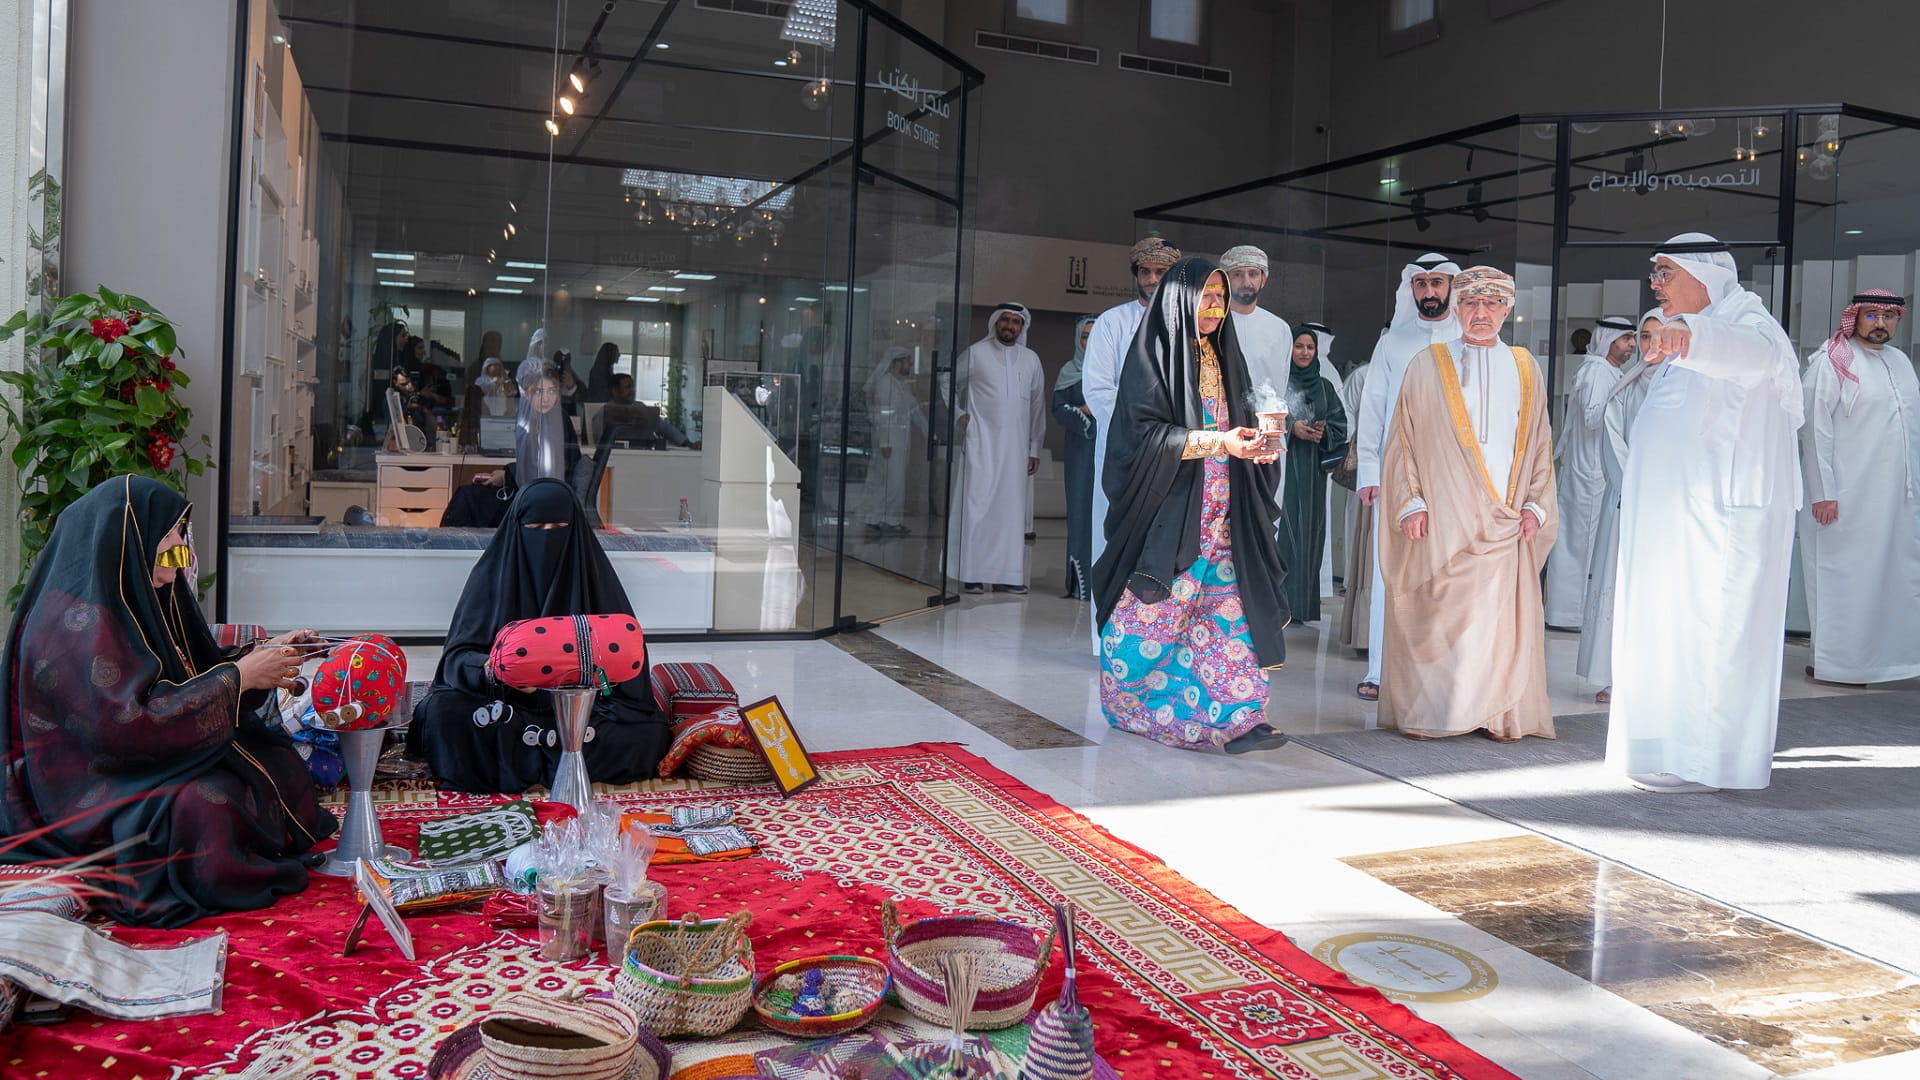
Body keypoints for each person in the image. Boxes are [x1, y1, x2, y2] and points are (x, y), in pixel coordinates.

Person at [0, 476, 336, 927]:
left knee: (276, 761)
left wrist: (263, 657)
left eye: (181, 535)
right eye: (170, 537)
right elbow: (122, 727)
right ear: (128, 541)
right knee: (205, 806)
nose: (181, 548)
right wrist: (239, 678)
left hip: (144, 758)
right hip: (88, 782)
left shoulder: (139, 596)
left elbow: (192, 669)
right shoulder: (74, 622)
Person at [1607, 233, 1803, 793]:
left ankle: (1706, 762)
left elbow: (1749, 353)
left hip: (1723, 525)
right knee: (1671, 637)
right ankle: (1666, 749)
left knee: (1712, 638)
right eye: (1654, 274)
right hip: (1680, 527)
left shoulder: (1747, 323)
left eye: (1664, 273)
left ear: (1705, 275)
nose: (1655, 285)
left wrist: (1690, 336)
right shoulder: (1693, 333)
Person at [1094, 259, 1290, 754]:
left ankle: (1243, 717)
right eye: (1207, 297)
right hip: (1174, 514)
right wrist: (1220, 442)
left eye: (1221, 298)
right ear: (1180, 301)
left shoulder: (1226, 356)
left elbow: (1243, 423)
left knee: (1227, 614)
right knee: (1154, 618)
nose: (1217, 308)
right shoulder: (1152, 358)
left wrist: (1258, 448)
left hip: (1228, 514)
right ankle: (1131, 702)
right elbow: (1140, 439)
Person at [1378, 267, 1557, 741]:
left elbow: (1541, 441)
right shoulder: (1426, 363)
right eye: (1471, 303)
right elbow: (1402, 442)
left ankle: (1496, 714)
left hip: (1505, 516)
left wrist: (1536, 504)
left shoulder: (1524, 367)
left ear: (1507, 309)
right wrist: (1411, 502)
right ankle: (1435, 712)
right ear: (1456, 308)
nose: (1481, 313)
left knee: (1496, 622)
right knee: (1441, 615)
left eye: (1492, 304)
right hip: (1442, 515)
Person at [408, 479, 673, 792]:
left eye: (558, 528)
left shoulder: (594, 580)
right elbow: (456, 660)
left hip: (584, 708)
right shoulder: (492, 579)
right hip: (505, 705)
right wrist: (495, 671)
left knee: (647, 733)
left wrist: (593, 680)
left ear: (575, 532)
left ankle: (534, 753)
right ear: (517, 529)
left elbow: (628, 667)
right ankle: (559, 752)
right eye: (536, 528)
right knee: (442, 715)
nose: (547, 538)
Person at [1799, 289, 1920, 685]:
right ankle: (1835, 663)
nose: (1880, 323)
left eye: (1888, 316)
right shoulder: (1832, 362)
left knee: (1891, 579)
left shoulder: (1900, 362)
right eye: (1871, 315)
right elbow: (1814, 431)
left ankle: (1883, 662)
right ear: (1855, 317)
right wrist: (1823, 493)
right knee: (1844, 580)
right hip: (1845, 497)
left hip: (1894, 499)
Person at [1354, 253, 1461, 700]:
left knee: (1448, 571)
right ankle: (1381, 671)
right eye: (1421, 284)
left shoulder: (1470, 338)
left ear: (1451, 286)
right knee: (1390, 571)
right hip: (1396, 471)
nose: (1429, 292)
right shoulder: (1392, 343)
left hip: (1454, 474)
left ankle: (1443, 674)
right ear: (1411, 289)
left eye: (1437, 283)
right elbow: (1373, 408)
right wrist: (1368, 469)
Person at [1083, 236, 1181, 580]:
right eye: (1145, 271)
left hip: (1173, 448)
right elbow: (1097, 389)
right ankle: (1110, 614)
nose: (1152, 279)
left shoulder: (1187, 325)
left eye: (1161, 272)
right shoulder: (1111, 323)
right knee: (1116, 534)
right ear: (1135, 274)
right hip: (1122, 448)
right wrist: (1140, 429)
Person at [1575, 309, 1660, 703]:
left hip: (1674, 507)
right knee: (1621, 585)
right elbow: (1611, 436)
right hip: (1629, 501)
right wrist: (1637, 489)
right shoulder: (1627, 384)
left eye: (1660, 335)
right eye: (1644, 337)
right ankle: (1616, 676)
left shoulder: (1688, 382)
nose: (1650, 344)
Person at [1544, 316, 1638, 629]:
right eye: (1626, 339)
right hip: (1589, 471)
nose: (1632, 345)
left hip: (1594, 471)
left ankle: (1578, 613)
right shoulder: (1598, 371)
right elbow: (1593, 417)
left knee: (1586, 543)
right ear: (1609, 340)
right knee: (1579, 544)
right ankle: (1570, 614)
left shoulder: (1607, 371)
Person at [950, 303, 1046, 595]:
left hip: (1016, 451)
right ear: (995, 323)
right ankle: (972, 574)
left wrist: (1034, 448)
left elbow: (1038, 407)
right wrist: (959, 415)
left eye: (1016, 321)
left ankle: (1008, 576)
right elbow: (946, 381)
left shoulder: (1031, 360)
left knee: (1010, 513)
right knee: (977, 507)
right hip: (981, 444)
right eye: (1005, 320)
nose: (1009, 326)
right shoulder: (976, 353)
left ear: (1022, 327)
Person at [1277, 327, 1349, 623]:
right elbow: (1260, 415)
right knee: (1284, 532)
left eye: (1310, 347)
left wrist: (1323, 432)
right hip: (1283, 470)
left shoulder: (1325, 387)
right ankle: (1277, 605)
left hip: (1313, 475)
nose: (1305, 352)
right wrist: (1291, 427)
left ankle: (1301, 606)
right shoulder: (1280, 381)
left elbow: (1340, 425)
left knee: (1309, 535)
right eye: (1299, 346)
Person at [1053, 315, 1100, 599]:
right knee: (1081, 510)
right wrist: (1082, 412)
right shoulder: (1069, 371)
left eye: (1095, 336)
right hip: (1081, 451)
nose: (1090, 342)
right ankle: (1082, 585)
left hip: (1109, 449)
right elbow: (1058, 408)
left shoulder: (1112, 368)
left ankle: (1106, 583)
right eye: (1085, 336)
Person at [863, 347, 927, 537]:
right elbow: (881, 416)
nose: (910, 365)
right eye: (907, 361)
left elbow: (915, 412)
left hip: (900, 441)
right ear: (897, 363)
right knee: (891, 482)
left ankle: (880, 519)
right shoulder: (885, 385)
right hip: (889, 442)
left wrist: (930, 433)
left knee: (894, 482)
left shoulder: (902, 386)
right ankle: (885, 519)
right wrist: (885, 442)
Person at [1338, 345, 1375, 653]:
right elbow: (1347, 412)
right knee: (1358, 524)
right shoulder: (1363, 375)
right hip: (1367, 462)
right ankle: (1352, 580)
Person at [597, 374, 694, 448]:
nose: (632, 391)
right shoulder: (604, 411)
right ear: (615, 391)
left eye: (632, 387)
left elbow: (665, 428)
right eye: (628, 387)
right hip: (614, 456)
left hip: (643, 455)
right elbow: (596, 438)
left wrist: (688, 443)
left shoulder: (640, 408)